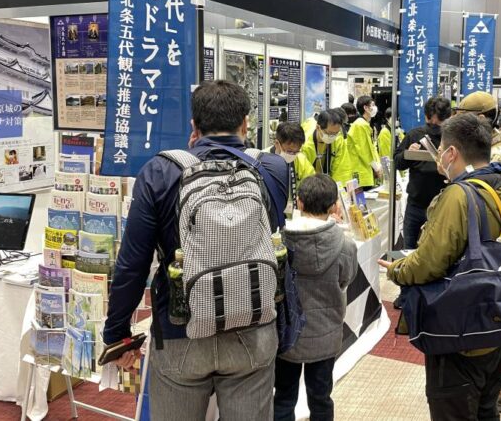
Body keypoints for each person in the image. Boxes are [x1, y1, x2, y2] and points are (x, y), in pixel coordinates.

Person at [103, 80, 289, 420]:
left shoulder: (160, 171)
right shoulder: (272, 169)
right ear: (246, 123)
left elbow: (132, 263)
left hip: (179, 328)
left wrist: (116, 333)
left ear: (194, 126)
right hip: (253, 326)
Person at [379, 114, 501, 420]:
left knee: (453, 409)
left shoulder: (458, 196)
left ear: (451, 153)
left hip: (462, 329)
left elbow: (429, 264)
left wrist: (396, 270)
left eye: (441, 151)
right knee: (487, 408)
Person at [274, 174, 358, 421]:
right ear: (334, 206)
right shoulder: (345, 245)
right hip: (326, 334)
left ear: (298, 203)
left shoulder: (281, 242)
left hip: (287, 334)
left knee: (283, 397)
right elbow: (346, 279)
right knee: (321, 398)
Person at [394, 96, 452, 250]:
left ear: (448, 119)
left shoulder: (453, 138)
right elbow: (398, 162)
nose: (433, 126)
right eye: (430, 122)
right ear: (425, 116)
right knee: (409, 250)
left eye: (438, 124)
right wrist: (408, 153)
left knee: (438, 251)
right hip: (415, 204)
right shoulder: (415, 134)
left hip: (443, 207)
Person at [457, 91, 501, 183]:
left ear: (480, 119)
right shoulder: (484, 144)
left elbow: (480, 191)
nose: (458, 124)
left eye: (463, 118)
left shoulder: (498, 155)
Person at [265, 122, 316, 218]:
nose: (293, 155)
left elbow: (312, 186)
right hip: (269, 215)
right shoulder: (262, 159)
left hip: (294, 217)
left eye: (296, 151)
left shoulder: (301, 160)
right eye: (289, 151)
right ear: (277, 144)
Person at [301, 109, 353, 184]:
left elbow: (342, 169)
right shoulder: (305, 144)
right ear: (318, 128)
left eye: (336, 133)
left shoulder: (338, 139)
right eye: (329, 133)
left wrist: (338, 189)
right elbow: (303, 172)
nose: (332, 137)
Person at [347, 95, 382, 188]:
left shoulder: (364, 124)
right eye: (373, 105)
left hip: (365, 169)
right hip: (359, 170)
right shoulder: (360, 125)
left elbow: (371, 148)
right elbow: (364, 150)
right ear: (365, 108)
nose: (375, 108)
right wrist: (376, 167)